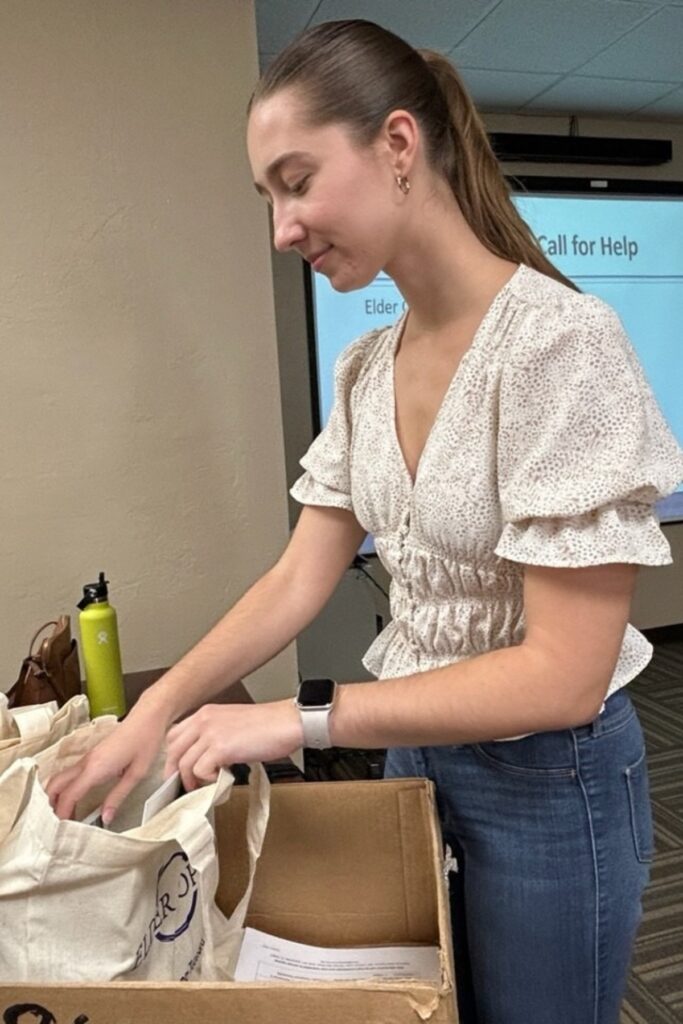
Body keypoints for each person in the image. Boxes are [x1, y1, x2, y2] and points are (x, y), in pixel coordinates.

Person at [47, 19, 683, 1024]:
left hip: (547, 782)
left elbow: (563, 676)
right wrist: (155, 712)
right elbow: (299, 576)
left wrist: (298, 718)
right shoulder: (362, 367)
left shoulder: (562, 345)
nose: (281, 229)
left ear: (396, 146)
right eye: (268, 197)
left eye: (295, 181)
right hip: (414, 755)